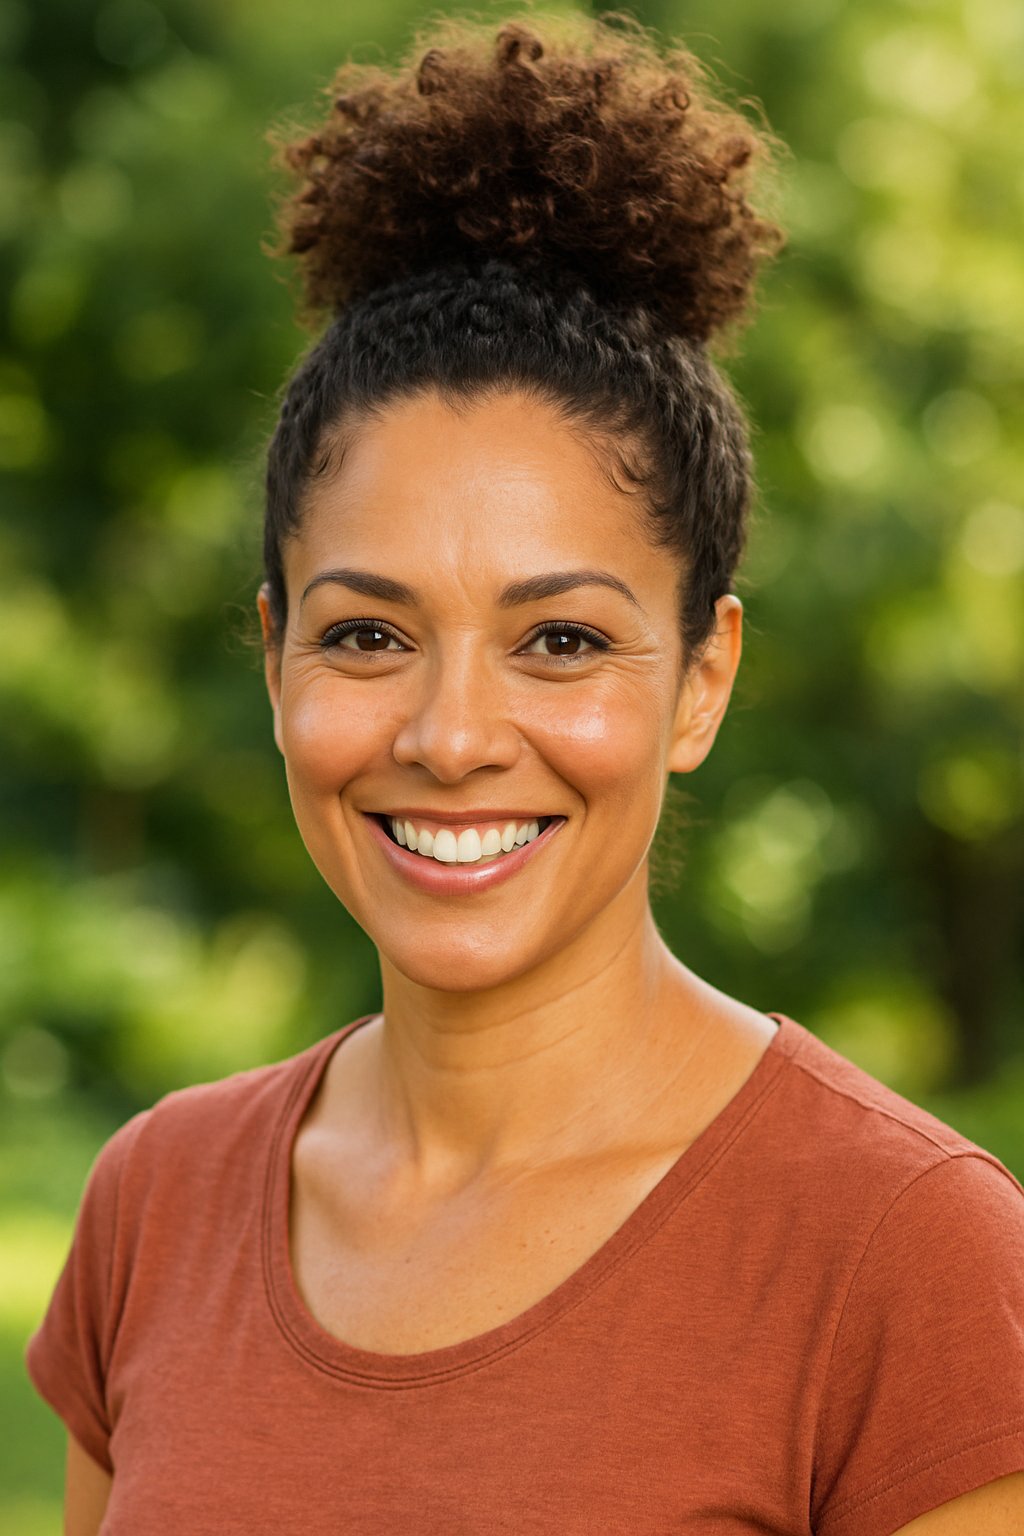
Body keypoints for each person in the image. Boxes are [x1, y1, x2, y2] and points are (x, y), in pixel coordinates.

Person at [25, 10, 1024, 1534]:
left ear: (703, 677)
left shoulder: (908, 1253)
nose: (448, 735)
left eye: (559, 641)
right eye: (368, 635)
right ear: (276, 654)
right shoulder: (156, 1203)